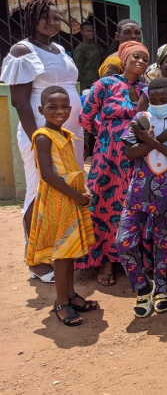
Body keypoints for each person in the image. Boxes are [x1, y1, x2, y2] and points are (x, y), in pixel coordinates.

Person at [0, 0, 85, 283]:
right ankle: (36, 260)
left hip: (69, 134)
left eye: (57, 17)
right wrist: (37, 138)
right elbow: (20, 101)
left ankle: (58, 251)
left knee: (62, 190)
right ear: (32, 19)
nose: (52, 22)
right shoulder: (23, 50)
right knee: (38, 190)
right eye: (46, 17)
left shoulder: (58, 48)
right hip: (42, 133)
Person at [117, 77, 167, 317]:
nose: (159, 104)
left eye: (164, 100)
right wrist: (159, 139)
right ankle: (142, 286)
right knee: (124, 242)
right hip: (138, 194)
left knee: (162, 246)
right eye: (154, 100)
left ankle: (161, 288)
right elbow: (131, 153)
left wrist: (150, 141)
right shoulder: (140, 121)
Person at [78, 41, 150, 286]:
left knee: (131, 205)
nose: (140, 62)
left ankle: (131, 258)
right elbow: (85, 118)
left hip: (137, 157)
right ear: (124, 58)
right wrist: (106, 133)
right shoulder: (105, 84)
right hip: (107, 157)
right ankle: (106, 260)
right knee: (105, 206)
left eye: (145, 59)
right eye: (136, 57)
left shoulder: (146, 89)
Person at [26, 86, 96, 326]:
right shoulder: (43, 136)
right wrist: (76, 196)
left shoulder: (65, 133)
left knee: (71, 250)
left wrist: (83, 189)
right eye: (52, 107)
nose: (60, 111)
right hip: (58, 200)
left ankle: (70, 295)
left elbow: (71, 168)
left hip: (71, 196)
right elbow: (48, 175)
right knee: (63, 254)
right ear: (41, 109)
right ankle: (61, 303)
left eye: (65, 106)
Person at [73, 21, 102, 90]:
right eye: (87, 31)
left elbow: (106, 55)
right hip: (87, 84)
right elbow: (77, 69)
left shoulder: (95, 45)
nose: (91, 33)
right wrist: (83, 87)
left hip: (98, 81)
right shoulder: (80, 49)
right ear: (81, 32)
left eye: (92, 31)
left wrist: (115, 41)